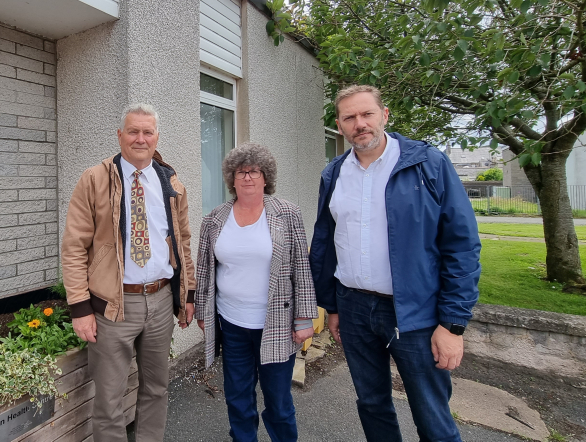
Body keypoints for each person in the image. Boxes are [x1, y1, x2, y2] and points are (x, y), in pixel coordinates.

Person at [309, 85, 481, 442]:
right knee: (372, 404)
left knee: (431, 415)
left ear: (384, 115)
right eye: (349, 117)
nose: (360, 124)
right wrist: (333, 307)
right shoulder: (334, 174)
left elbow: (461, 245)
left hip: (414, 312)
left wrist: (452, 324)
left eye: (367, 114)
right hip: (354, 307)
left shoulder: (427, 163)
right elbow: (326, 242)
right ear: (339, 125)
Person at [61, 103, 196, 442]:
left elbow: (183, 242)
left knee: (156, 389)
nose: (140, 138)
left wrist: (187, 294)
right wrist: (80, 308)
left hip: (162, 300)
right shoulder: (94, 179)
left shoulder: (171, 181)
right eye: (133, 131)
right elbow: (75, 246)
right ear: (120, 135)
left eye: (147, 132)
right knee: (109, 399)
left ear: (156, 137)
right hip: (113, 306)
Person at [195, 142, 317, 442]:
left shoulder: (287, 213)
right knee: (237, 397)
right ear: (232, 179)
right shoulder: (214, 219)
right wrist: (202, 312)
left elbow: (302, 266)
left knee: (278, 402)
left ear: (266, 177)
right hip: (232, 324)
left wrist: (304, 318)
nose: (247, 177)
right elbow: (204, 269)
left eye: (254, 171)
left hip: (276, 324)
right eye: (241, 172)